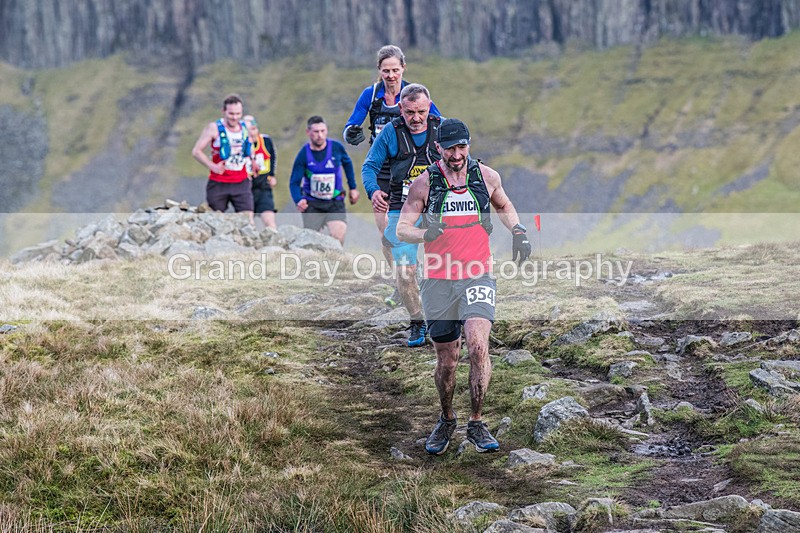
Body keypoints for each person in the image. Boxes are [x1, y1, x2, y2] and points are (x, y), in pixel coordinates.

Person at [396, 118, 532, 455]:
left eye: (462, 147)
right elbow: (401, 228)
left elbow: (504, 205)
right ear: (439, 148)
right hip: (439, 279)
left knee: (477, 346)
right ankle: (446, 418)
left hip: (477, 274)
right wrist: (424, 234)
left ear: (469, 145)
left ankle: (476, 421)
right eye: (451, 148)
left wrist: (518, 231)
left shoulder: (486, 177)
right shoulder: (425, 184)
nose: (457, 154)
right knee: (447, 359)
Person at [344, 45, 441, 308]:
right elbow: (352, 123)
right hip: (382, 165)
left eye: (395, 70)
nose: (390, 75)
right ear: (379, 71)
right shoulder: (371, 95)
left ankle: (415, 276)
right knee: (386, 231)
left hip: (409, 163)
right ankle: (401, 279)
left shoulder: (413, 94)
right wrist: (351, 132)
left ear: (403, 69)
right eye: (385, 70)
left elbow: (437, 122)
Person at [362, 83, 440, 348]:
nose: (415, 118)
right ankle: (417, 321)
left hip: (436, 207)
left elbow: (463, 163)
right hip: (401, 207)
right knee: (406, 272)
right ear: (400, 109)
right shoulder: (390, 133)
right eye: (409, 112)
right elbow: (370, 166)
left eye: (420, 111)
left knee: (448, 266)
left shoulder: (442, 129)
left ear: (429, 107)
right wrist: (373, 191)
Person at [290, 116, 359, 245]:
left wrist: (353, 188)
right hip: (312, 204)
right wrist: (298, 199)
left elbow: (347, 164)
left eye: (323, 131)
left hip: (335, 202)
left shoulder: (336, 148)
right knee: (312, 243)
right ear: (308, 132)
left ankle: (334, 262)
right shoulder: (303, 154)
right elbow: (294, 182)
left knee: (338, 236)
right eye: (316, 132)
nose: (320, 135)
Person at [191, 94, 254, 216]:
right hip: (219, 182)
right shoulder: (213, 128)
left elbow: (250, 147)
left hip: (242, 182)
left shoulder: (246, 127)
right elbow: (196, 151)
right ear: (223, 111)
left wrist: (253, 162)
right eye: (231, 114)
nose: (234, 117)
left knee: (248, 221)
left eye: (238, 114)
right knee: (215, 221)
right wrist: (213, 166)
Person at [244, 115, 278, 228]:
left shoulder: (266, 141)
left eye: (254, 129)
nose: (252, 134)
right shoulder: (239, 145)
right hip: (246, 190)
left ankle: (274, 243)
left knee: (270, 221)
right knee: (248, 224)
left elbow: (273, 157)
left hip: (263, 187)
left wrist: (272, 175)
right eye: (248, 131)